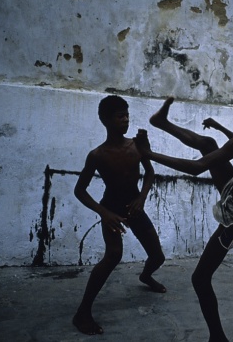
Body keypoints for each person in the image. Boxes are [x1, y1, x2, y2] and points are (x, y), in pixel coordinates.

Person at [134, 84, 233, 342]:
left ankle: (218, 337)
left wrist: (149, 154)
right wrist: (220, 128)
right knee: (209, 142)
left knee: (200, 278)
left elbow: (197, 168)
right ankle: (161, 122)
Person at [72, 95, 166, 335]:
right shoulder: (97, 155)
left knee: (157, 256)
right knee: (113, 255)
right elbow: (79, 190)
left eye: (127, 115)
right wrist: (104, 213)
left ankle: (145, 276)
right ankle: (83, 312)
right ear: (105, 120)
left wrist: (141, 198)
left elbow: (150, 173)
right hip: (112, 209)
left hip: (134, 207)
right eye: (119, 116)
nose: (125, 120)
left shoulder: (136, 146)